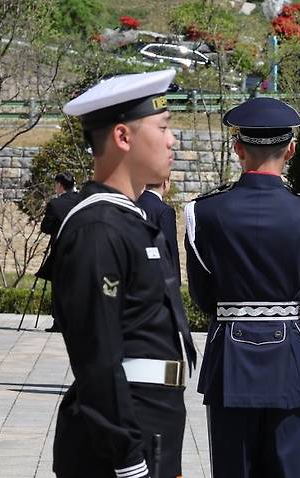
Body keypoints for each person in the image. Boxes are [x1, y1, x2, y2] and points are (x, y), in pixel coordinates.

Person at [44, 69, 197, 478]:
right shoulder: (98, 229)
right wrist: (128, 460)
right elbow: (98, 358)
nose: (171, 139)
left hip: (152, 423)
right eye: (163, 127)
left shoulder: (128, 220)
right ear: (123, 137)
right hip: (120, 445)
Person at [184, 97, 300, 478]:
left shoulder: (202, 212)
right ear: (291, 148)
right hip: (289, 361)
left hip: (229, 363)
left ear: (237, 147)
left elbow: (204, 297)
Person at [40, 171, 79, 333]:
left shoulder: (55, 205)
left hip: (61, 250)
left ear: (60, 185)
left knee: (59, 287)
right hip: (82, 247)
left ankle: (59, 322)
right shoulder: (82, 200)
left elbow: (45, 228)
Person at [137, 177, 181, 283]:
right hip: (157, 279)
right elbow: (169, 250)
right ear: (165, 183)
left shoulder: (133, 204)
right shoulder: (164, 211)